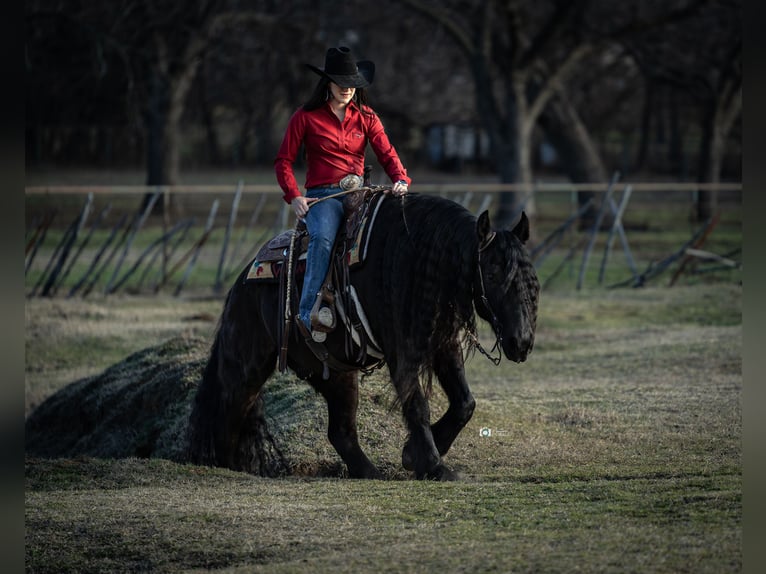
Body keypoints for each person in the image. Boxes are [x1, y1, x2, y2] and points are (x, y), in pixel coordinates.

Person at [275, 46, 411, 341]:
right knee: (323, 239)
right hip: (323, 195)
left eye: (352, 83)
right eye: (341, 82)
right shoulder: (305, 117)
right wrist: (295, 196)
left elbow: (386, 152)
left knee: (390, 233)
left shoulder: (366, 116)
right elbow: (283, 160)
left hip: (360, 192)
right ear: (327, 83)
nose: (347, 89)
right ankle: (308, 313)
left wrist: (400, 177)